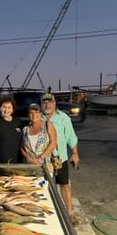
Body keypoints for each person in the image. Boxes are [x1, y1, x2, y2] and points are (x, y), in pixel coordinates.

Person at [41, 93, 80, 225]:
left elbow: (71, 137)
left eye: (49, 102)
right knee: (43, 186)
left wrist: (75, 153)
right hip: (43, 161)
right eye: (44, 102)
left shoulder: (63, 118)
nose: (47, 104)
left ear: (54, 104)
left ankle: (70, 213)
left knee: (64, 184)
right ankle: (46, 213)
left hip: (59, 158)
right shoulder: (37, 118)